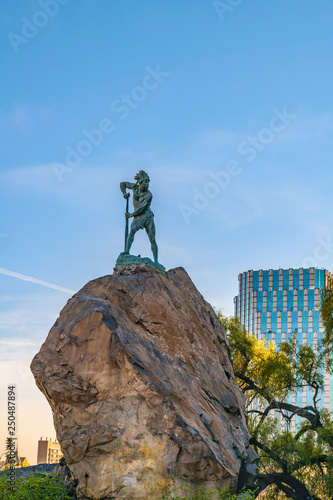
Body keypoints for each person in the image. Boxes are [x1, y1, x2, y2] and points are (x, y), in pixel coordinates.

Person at [120, 171, 159, 264]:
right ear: (140, 182)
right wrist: (124, 193)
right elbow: (122, 184)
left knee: (152, 239)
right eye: (145, 182)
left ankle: (156, 261)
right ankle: (126, 251)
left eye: (148, 182)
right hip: (138, 217)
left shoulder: (149, 195)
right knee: (132, 231)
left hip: (147, 217)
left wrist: (130, 215)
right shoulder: (134, 187)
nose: (147, 184)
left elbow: (142, 208)